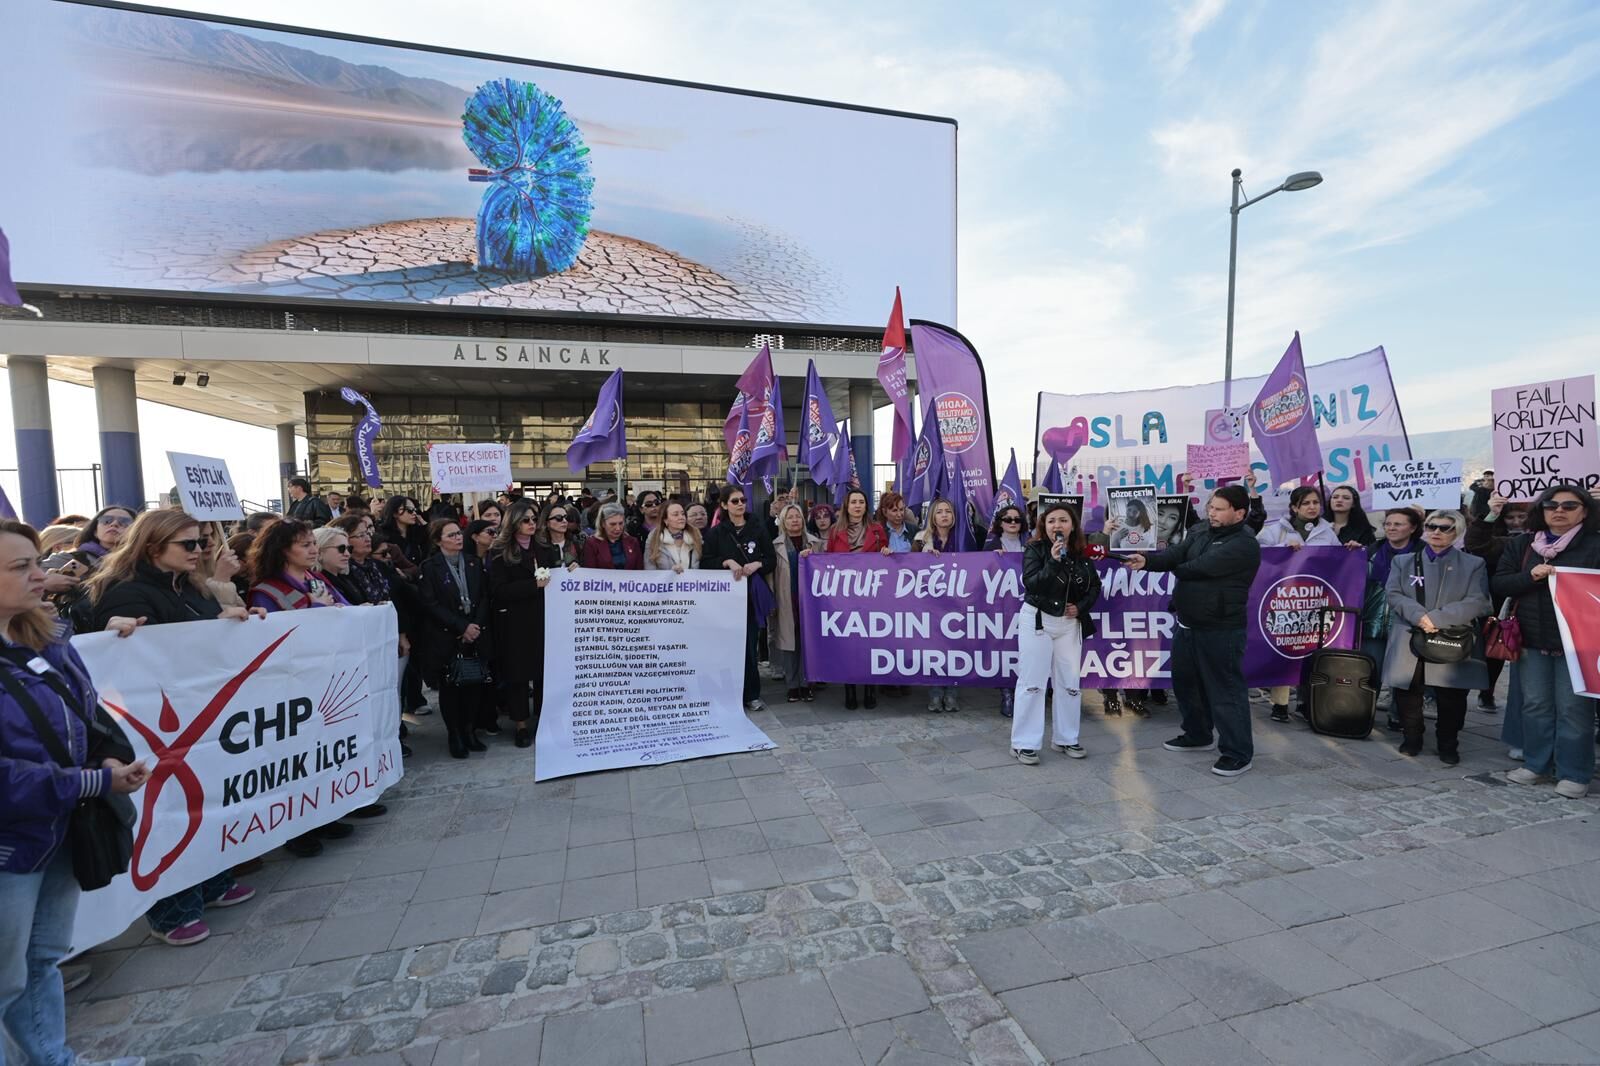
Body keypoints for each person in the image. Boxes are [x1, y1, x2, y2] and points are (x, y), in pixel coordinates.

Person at [0, 520, 149, 1066]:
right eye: (21, 567)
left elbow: (89, 714)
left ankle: (53, 1059)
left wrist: (107, 754)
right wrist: (93, 781)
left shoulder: (46, 636)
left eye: (36, 563)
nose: (40, 576)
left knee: (41, 959)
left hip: (59, 828)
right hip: (12, 845)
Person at [82, 510, 264, 946]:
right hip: (156, 727)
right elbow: (133, 661)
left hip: (201, 718)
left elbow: (197, 639)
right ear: (152, 547)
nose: (199, 550)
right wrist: (114, 631)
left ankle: (212, 880)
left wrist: (229, 622)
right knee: (169, 808)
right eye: (188, 544)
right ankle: (171, 910)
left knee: (207, 799)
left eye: (200, 541)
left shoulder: (189, 586)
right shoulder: (127, 594)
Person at [1127, 485, 1262, 778]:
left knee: (1225, 691)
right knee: (1186, 684)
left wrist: (1171, 563)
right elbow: (1177, 553)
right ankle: (1197, 734)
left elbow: (1194, 567)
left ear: (1239, 513)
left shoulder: (1244, 544)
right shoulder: (1201, 530)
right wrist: (1147, 561)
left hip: (1221, 629)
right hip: (1188, 622)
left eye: (1219, 509)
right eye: (1211, 507)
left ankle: (1238, 753)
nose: (1211, 513)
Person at [1495, 483, 1600, 797]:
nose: (1559, 511)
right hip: (1531, 639)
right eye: (1551, 505)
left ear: (1585, 511)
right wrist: (1530, 577)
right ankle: (1536, 764)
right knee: (1535, 705)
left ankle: (1574, 773)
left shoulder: (1595, 545)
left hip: (1579, 643)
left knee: (1574, 709)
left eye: (1569, 506)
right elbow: (1500, 583)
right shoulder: (1524, 544)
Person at [1381, 509, 1491, 764]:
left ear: (1457, 532)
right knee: (1408, 690)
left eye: (1445, 528)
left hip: (1451, 635)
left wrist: (1437, 619)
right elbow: (1393, 593)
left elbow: (1478, 601)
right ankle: (1412, 736)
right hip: (1410, 632)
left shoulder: (1474, 564)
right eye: (1432, 526)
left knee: (1451, 695)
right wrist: (1419, 616)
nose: (1437, 532)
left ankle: (1448, 742)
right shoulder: (1403, 561)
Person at [1011, 502, 1100, 765]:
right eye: (1051, 521)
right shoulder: (1035, 549)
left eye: (1063, 520)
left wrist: (1080, 607)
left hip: (1069, 624)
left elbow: (1094, 587)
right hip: (1038, 621)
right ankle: (1024, 743)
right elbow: (1032, 584)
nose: (1057, 525)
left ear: (1072, 525)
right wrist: (1053, 560)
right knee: (1032, 682)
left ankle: (1066, 738)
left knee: (1069, 683)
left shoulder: (1081, 553)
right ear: (1044, 525)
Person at [1256, 486, 1341, 722]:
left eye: (1316, 502)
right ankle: (1280, 704)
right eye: (1306, 503)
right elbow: (1258, 553)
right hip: (1284, 601)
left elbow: (1339, 561)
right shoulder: (1276, 531)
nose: (1312, 507)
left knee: (1311, 652)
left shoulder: (1328, 532)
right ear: (1294, 507)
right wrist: (1282, 550)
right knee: (1285, 650)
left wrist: (1351, 550)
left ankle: (1306, 703)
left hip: (1314, 600)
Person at [419, 519, 493, 757]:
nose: (458, 538)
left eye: (459, 533)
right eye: (451, 535)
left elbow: (484, 596)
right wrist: (461, 627)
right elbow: (430, 604)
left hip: (475, 633)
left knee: (474, 685)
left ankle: (469, 730)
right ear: (438, 540)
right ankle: (455, 734)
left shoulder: (473, 562)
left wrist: (475, 626)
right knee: (451, 688)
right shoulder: (430, 567)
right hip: (448, 635)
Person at [702, 486, 778, 712]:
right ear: (724, 505)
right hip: (724, 600)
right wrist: (726, 562)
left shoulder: (757, 528)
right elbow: (705, 562)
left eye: (743, 500)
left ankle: (751, 694)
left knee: (749, 647)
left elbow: (771, 559)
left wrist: (758, 564)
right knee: (727, 647)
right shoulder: (716, 533)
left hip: (750, 597)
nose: (740, 504)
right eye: (734, 501)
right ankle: (728, 693)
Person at [487, 501, 546, 748]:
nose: (532, 524)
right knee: (518, 675)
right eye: (526, 520)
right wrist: (532, 585)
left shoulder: (543, 547)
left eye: (534, 519)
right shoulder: (499, 552)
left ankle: (543, 719)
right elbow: (498, 590)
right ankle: (520, 724)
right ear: (513, 523)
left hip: (543, 619)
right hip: (515, 622)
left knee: (543, 673)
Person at [1464, 494, 1531, 711]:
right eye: (1511, 517)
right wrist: (1491, 514)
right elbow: (1477, 544)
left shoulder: (1542, 539)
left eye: (1522, 516)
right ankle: (1487, 690)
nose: (1517, 522)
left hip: (1531, 603)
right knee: (1495, 647)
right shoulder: (1500, 541)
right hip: (1498, 601)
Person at [826, 488, 888, 709]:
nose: (858, 506)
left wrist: (886, 553)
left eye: (861, 502)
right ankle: (850, 688)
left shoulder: (877, 529)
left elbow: (885, 559)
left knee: (870, 642)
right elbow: (827, 561)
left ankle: (870, 688)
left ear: (866, 506)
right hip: (845, 595)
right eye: (854, 502)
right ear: (847, 505)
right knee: (848, 643)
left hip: (871, 595)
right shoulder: (835, 531)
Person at [1362, 508, 1423, 729]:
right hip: (1373, 621)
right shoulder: (1371, 551)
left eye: (1398, 524)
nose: (1391, 528)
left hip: (1407, 623)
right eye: (1388, 524)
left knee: (1403, 674)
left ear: (1413, 528)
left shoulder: (1424, 554)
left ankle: (1398, 715)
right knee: (1371, 670)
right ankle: (1363, 712)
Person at [914, 498, 965, 712]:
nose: (944, 515)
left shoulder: (963, 538)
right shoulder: (921, 539)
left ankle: (952, 694)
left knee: (955, 649)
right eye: (939, 512)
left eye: (948, 511)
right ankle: (935, 694)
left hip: (958, 602)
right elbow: (908, 566)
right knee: (934, 649)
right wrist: (924, 558)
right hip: (931, 604)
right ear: (933, 517)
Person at [770, 502, 822, 703]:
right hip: (787, 599)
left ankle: (807, 683)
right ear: (783, 521)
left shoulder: (815, 543)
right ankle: (792, 685)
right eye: (790, 517)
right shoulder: (776, 545)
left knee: (808, 642)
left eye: (797, 516)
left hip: (810, 600)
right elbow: (771, 577)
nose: (794, 520)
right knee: (789, 644)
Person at [246, 519, 350, 613]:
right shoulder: (266, 592)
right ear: (282, 549)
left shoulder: (316, 578)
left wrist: (342, 610)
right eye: (306, 545)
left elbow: (348, 608)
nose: (314, 550)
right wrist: (318, 607)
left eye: (314, 543)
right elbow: (278, 628)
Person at [986, 504, 1028, 717]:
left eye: (1017, 519)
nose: (1012, 522)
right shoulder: (990, 546)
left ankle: (1024, 692)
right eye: (1008, 519)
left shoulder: (1030, 545)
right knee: (1005, 649)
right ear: (1000, 523)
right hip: (1001, 607)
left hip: (1026, 605)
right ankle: (1007, 693)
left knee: (1024, 650)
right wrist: (991, 559)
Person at [375, 495, 428, 577]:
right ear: (394, 513)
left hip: (418, 578)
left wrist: (425, 526)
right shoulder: (383, 535)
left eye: (415, 510)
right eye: (409, 510)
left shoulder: (418, 533)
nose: (414, 513)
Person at [580, 502, 644, 569]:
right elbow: (590, 571)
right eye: (613, 524)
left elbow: (639, 569)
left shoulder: (633, 542)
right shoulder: (592, 544)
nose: (618, 528)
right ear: (603, 524)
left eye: (621, 523)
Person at [646, 501, 702, 572]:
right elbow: (649, 569)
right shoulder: (654, 538)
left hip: (692, 579)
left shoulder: (695, 536)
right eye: (675, 515)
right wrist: (671, 572)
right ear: (665, 520)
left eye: (683, 514)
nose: (681, 517)